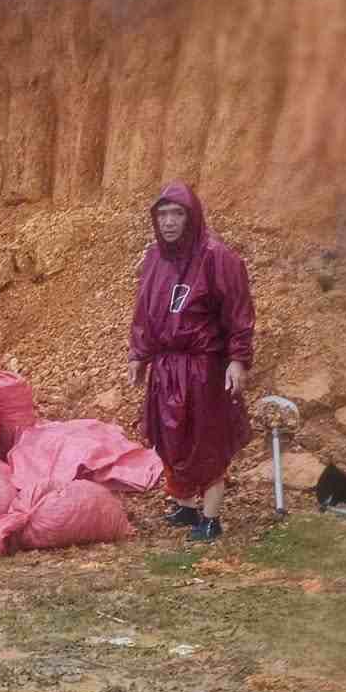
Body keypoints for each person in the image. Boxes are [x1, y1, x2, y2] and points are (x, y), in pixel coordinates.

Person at [128, 182, 255, 542]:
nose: (168, 221)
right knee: (169, 437)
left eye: (177, 213)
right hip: (166, 367)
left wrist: (238, 359)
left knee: (206, 438)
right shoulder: (154, 258)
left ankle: (211, 518)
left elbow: (238, 312)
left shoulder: (217, 257)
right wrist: (139, 353)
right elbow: (144, 311)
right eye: (162, 214)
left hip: (203, 368)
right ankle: (185, 506)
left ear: (192, 215)